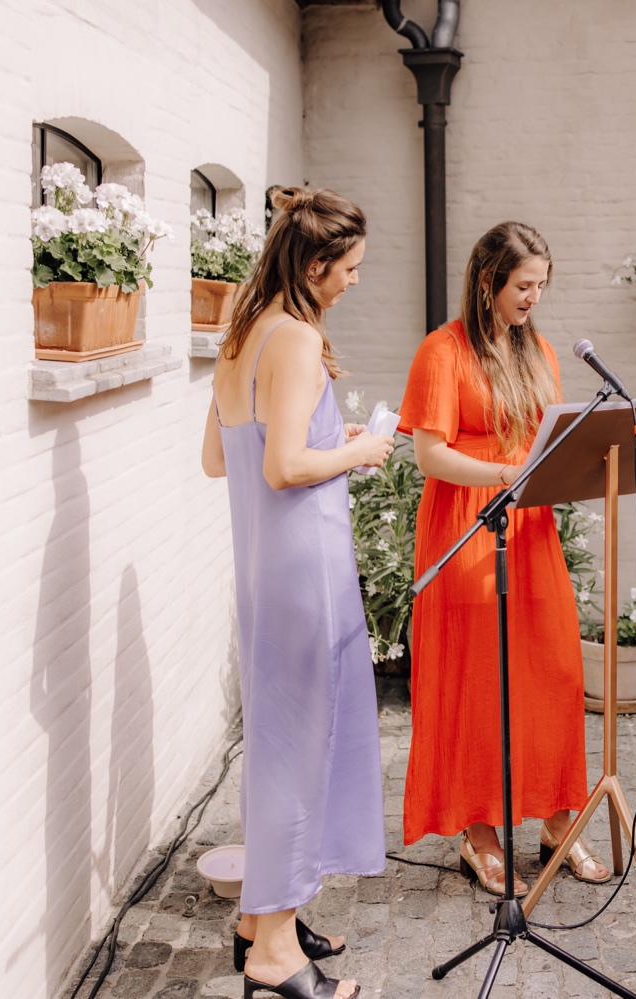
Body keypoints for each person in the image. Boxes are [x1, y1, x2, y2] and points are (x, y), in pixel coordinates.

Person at [201, 187, 391, 999]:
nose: (352, 281)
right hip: (303, 573)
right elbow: (284, 468)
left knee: (279, 741)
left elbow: (222, 459)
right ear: (315, 264)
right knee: (297, 749)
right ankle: (274, 955)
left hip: (260, 568)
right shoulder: (300, 338)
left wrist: (328, 438)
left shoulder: (240, 331)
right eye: (348, 269)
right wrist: (367, 447)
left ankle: (258, 917)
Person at [397, 221, 609, 896]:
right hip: (467, 524)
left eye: (542, 286)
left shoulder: (538, 349)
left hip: (532, 527)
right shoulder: (442, 350)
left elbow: (543, 433)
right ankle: (477, 830)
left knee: (551, 670)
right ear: (488, 280)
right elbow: (429, 453)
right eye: (524, 285)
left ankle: (555, 818)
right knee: (477, 681)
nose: (534, 299)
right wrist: (502, 474)